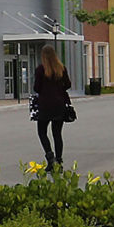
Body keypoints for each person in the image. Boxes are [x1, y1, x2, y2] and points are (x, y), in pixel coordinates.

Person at [32, 43, 73, 171]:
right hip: (59, 104)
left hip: (45, 105)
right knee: (57, 134)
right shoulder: (61, 68)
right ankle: (59, 161)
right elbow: (68, 84)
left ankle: (50, 159)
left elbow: (36, 88)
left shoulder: (40, 69)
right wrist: (59, 89)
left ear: (43, 56)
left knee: (42, 131)